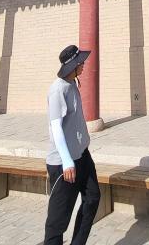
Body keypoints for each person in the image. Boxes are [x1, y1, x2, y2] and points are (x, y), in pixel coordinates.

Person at [45, 44, 100, 245]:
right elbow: (55, 127)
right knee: (57, 220)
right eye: (80, 63)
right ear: (73, 66)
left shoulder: (73, 84)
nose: (83, 65)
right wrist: (67, 161)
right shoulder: (58, 90)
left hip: (83, 156)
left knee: (93, 198)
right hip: (63, 163)